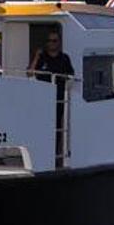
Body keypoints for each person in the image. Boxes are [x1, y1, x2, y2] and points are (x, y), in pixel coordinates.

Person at [28, 30, 74, 167]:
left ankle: (54, 158)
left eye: (54, 41)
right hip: (41, 100)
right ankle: (40, 156)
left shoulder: (64, 58)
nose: (52, 44)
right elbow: (30, 73)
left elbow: (71, 75)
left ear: (59, 43)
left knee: (57, 129)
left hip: (58, 99)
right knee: (41, 128)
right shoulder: (41, 58)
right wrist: (36, 56)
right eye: (49, 41)